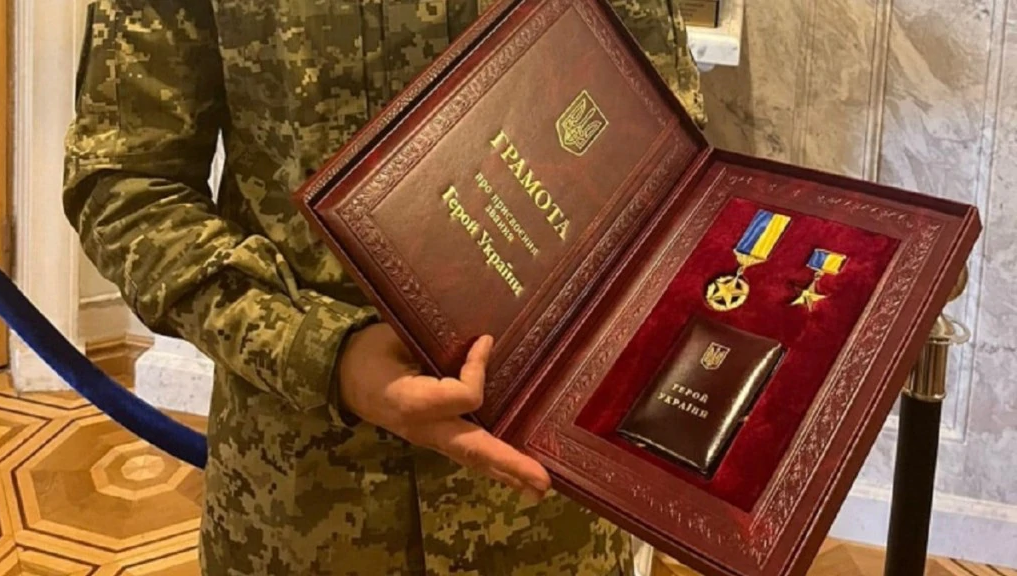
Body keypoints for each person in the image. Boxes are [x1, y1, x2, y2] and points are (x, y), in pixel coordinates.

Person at [61, 0, 707, 574]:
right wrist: (321, 352)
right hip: (303, 504)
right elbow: (124, 185)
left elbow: (661, 152)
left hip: (546, 508)